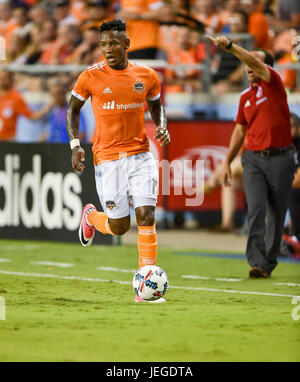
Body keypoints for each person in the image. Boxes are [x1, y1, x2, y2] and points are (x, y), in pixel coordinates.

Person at [66, 19, 170, 302]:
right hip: (108, 159)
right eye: (103, 45)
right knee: (120, 227)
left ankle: (143, 288)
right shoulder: (90, 76)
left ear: (127, 44)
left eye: (113, 43)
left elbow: (156, 104)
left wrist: (162, 124)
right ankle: (91, 217)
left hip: (140, 155)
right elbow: (73, 109)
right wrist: (75, 144)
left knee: (146, 216)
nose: (108, 49)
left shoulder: (146, 75)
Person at [206, 34, 295, 278]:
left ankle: (268, 262)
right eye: (248, 62)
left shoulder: (274, 83)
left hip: (280, 157)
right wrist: (226, 161)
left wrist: (232, 47)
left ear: (267, 68)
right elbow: (239, 130)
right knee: (256, 208)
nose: (249, 65)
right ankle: (256, 262)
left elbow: (255, 63)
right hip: (253, 159)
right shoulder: (245, 97)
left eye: (255, 61)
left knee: (276, 212)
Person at [0, 69, 53, 141]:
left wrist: (48, 107)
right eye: (1, 77)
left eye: (5, 77)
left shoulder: (16, 98)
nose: (2, 79)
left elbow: (32, 116)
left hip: (8, 140)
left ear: (10, 79)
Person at [39, 79, 87, 143]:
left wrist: (74, 148)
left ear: (64, 94)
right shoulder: (53, 111)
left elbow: (82, 133)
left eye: (58, 94)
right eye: (53, 95)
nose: (56, 97)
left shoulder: (73, 110)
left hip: (66, 147)